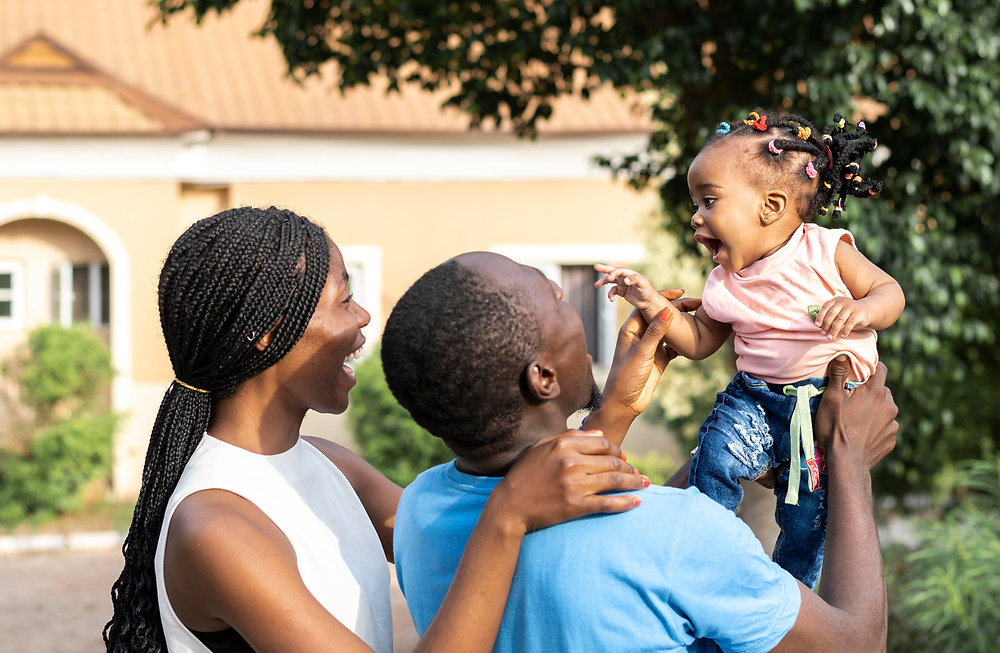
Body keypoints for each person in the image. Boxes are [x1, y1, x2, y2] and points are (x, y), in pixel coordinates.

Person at [102, 206, 651, 653]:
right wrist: (508, 512)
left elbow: (501, 542)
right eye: (343, 299)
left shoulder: (327, 464)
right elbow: (502, 528)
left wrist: (618, 409)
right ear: (268, 333)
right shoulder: (216, 526)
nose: (363, 316)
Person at [384, 250, 898, 652]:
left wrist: (619, 414)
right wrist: (847, 460)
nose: (569, 299)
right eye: (558, 299)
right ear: (543, 377)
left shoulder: (419, 511)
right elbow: (853, 644)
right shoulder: (679, 534)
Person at [595, 111, 905, 587]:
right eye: (696, 202)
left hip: (825, 407)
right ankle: (705, 554)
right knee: (714, 456)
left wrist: (861, 310)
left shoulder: (825, 251)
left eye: (709, 200)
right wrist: (652, 302)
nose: (696, 216)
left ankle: (793, 595)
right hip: (755, 400)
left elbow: (890, 294)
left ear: (771, 205)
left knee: (807, 522)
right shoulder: (724, 282)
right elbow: (697, 340)